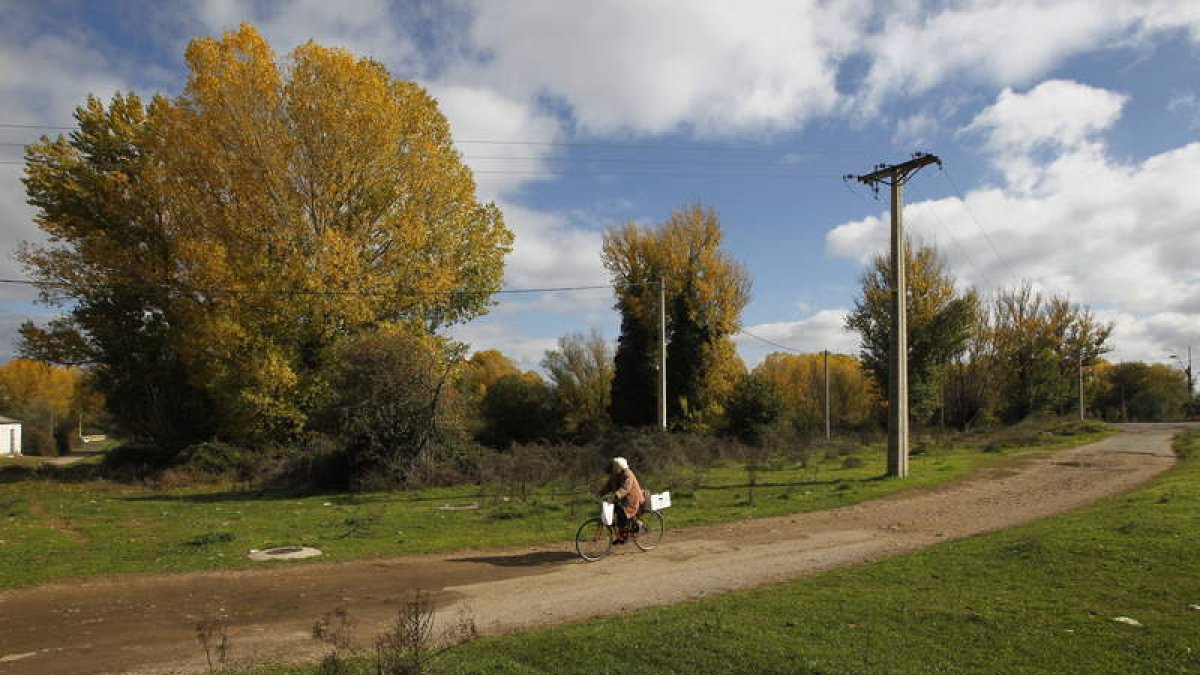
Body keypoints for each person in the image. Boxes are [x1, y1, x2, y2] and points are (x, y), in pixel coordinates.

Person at [596, 456, 644, 543]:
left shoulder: (628, 474)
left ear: (619, 467)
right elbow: (608, 485)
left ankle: (636, 526)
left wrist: (616, 495)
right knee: (616, 514)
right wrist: (601, 493)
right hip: (621, 498)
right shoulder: (615, 475)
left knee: (622, 515)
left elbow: (625, 488)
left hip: (631, 499)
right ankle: (621, 536)